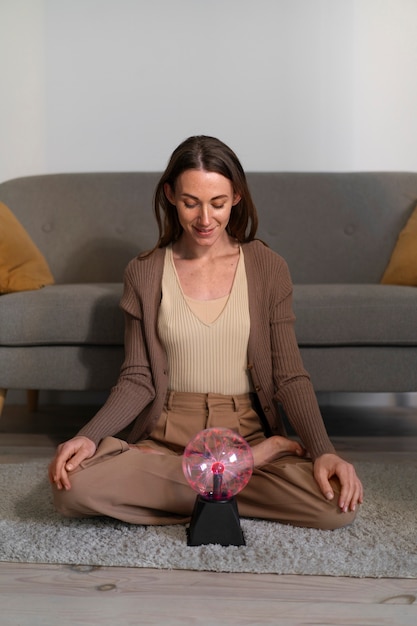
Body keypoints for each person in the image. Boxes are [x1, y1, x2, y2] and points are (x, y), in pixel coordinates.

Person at [49, 135, 363, 530]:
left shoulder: (268, 267)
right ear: (169, 195)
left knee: (333, 506)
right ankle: (240, 473)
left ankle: (207, 481)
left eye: (217, 203)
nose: (204, 219)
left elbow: (289, 375)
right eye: (190, 202)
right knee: (71, 487)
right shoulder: (144, 272)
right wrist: (89, 437)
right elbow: (137, 379)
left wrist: (323, 451)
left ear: (236, 198)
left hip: (244, 430)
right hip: (166, 436)